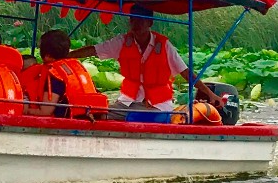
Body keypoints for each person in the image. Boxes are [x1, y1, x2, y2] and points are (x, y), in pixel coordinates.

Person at [67, 10, 216, 122]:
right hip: (127, 102)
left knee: (133, 116)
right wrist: (67, 55)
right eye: (133, 20)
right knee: (95, 113)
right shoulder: (122, 42)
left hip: (157, 106)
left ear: (150, 23)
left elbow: (185, 72)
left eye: (140, 20)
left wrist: (209, 93)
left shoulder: (164, 46)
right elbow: (94, 50)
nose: (136, 24)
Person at [23, 29, 109, 119]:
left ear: (47, 56)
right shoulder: (77, 67)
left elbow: (45, 111)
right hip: (93, 116)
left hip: (72, 120)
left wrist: (26, 111)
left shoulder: (55, 73)